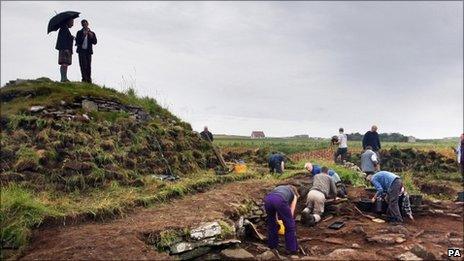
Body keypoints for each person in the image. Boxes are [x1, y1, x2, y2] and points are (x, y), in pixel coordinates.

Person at [263, 185, 299, 255]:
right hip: (279, 200)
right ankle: (291, 249)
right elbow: (291, 212)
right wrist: (288, 221)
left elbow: (275, 208)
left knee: (272, 224)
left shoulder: (279, 188)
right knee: (290, 225)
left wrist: (278, 220)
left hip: (268, 199)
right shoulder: (294, 195)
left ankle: (272, 246)